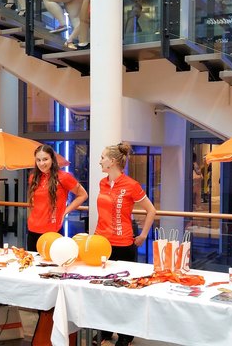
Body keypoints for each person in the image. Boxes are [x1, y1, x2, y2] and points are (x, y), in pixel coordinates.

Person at [95, 142, 156, 346]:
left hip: (124, 245)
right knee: (104, 291)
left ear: (112, 161)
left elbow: (151, 210)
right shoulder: (103, 183)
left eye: (103, 157)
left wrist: (143, 235)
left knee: (123, 293)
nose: (100, 160)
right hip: (102, 245)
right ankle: (104, 332)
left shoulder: (131, 185)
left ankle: (125, 336)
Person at [27, 144, 88, 251]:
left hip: (53, 230)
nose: (41, 163)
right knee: (33, 265)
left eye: (45, 159)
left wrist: (65, 211)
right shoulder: (33, 178)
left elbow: (83, 195)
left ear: (52, 159)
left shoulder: (64, 177)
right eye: (38, 160)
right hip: (32, 230)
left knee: (53, 265)